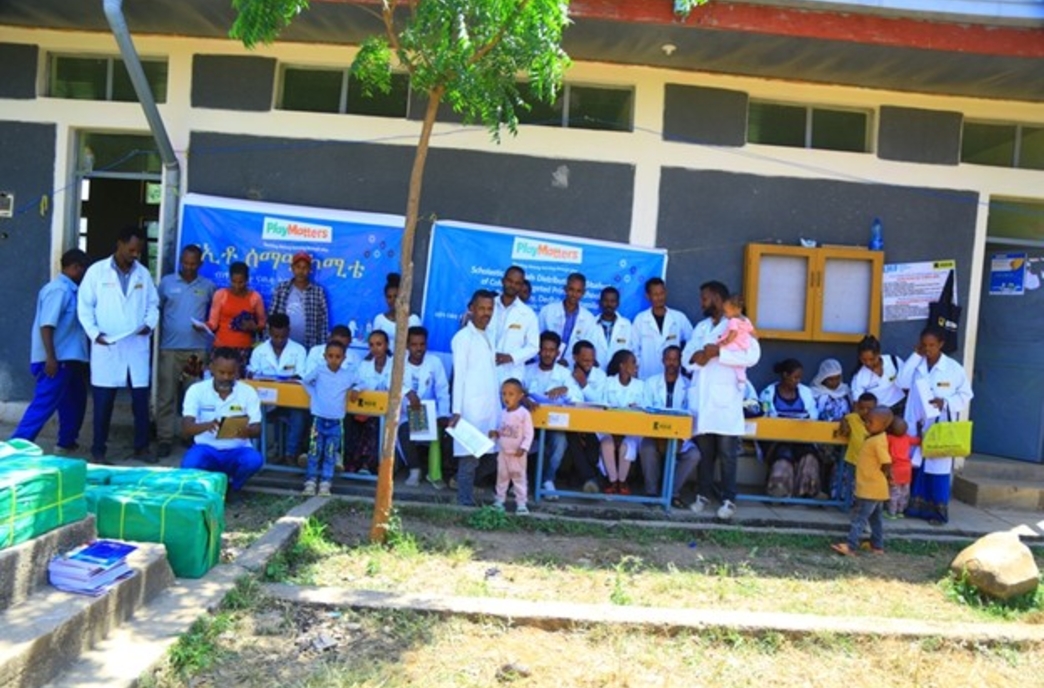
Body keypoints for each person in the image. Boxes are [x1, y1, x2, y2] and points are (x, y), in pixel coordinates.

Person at [77, 226, 159, 464]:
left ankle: (141, 448)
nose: (135, 254)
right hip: (107, 346)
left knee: (140, 403)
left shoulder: (143, 274)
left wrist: (149, 324)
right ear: (119, 244)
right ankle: (98, 450)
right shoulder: (97, 272)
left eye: (139, 251)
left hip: (136, 344)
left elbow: (153, 305)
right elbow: (84, 307)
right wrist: (95, 334)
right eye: (131, 249)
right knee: (104, 403)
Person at [683, 281, 760, 520]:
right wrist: (700, 358)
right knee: (706, 453)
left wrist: (720, 353)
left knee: (728, 454)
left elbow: (753, 355)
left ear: (717, 297)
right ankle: (703, 495)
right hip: (704, 401)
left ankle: (729, 499)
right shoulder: (701, 327)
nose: (701, 303)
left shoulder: (739, 323)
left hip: (726, 401)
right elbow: (687, 357)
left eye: (705, 298)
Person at [10, 249, 90, 453]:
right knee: (44, 405)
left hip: (71, 359)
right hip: (56, 360)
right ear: (75, 268)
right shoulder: (59, 290)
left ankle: (66, 444)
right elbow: (47, 325)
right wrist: (51, 358)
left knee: (74, 404)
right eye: (83, 269)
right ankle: (16, 446)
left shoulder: (71, 291)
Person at [897, 326, 974, 525]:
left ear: (941, 345)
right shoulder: (916, 364)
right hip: (916, 424)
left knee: (937, 469)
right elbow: (901, 382)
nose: (928, 349)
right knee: (914, 464)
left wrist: (945, 402)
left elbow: (966, 395)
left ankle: (938, 514)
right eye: (924, 345)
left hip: (939, 426)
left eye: (932, 345)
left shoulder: (953, 368)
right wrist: (915, 356)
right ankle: (912, 508)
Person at [156, 244, 216, 458]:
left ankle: (190, 436)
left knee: (193, 396)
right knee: (166, 395)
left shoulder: (208, 286)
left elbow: (215, 317)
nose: (189, 267)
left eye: (193, 264)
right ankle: (164, 438)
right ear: (181, 261)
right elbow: (155, 311)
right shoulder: (166, 283)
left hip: (196, 351)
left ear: (200, 263)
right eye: (185, 263)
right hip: (169, 349)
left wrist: (205, 325)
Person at [180, 347, 264, 498]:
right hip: (206, 449)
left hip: (237, 450)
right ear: (211, 368)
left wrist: (244, 430)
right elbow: (186, 428)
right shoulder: (196, 390)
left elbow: (257, 430)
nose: (226, 377)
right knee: (189, 465)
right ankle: (207, 488)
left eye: (231, 373)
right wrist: (207, 425)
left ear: (238, 371)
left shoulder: (248, 392)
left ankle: (234, 487)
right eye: (221, 372)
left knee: (254, 460)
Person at [449, 290, 500, 507]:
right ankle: (464, 504)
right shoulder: (463, 338)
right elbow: (459, 375)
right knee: (468, 461)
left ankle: (466, 498)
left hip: (489, 408)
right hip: (469, 409)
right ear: (471, 308)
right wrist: (457, 411)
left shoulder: (489, 334)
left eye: (490, 309)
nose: (485, 313)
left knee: (494, 454)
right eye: (481, 308)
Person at [639, 346, 700, 506]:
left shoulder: (688, 385)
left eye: (675, 359)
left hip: (680, 436)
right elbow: (645, 409)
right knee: (647, 448)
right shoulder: (651, 383)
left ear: (681, 361)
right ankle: (651, 493)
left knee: (694, 455)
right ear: (662, 360)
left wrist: (681, 436)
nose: (671, 363)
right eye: (668, 359)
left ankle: (672, 492)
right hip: (654, 433)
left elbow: (691, 413)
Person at [831, 406, 894, 556]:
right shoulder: (874, 437)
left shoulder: (877, 441)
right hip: (875, 489)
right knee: (875, 519)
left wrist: (888, 475)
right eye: (866, 421)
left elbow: (886, 461)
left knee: (859, 518)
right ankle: (877, 546)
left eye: (871, 422)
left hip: (871, 488)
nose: (866, 424)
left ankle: (851, 546)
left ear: (884, 425)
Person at [248, 313, 309, 465]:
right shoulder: (259, 351)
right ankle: (261, 453)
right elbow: (253, 374)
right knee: (254, 415)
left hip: (290, 402)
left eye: (282, 336)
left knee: (299, 416)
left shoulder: (299, 350)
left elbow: (302, 376)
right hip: (265, 402)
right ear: (269, 331)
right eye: (275, 336)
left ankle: (290, 453)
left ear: (288, 331)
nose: (279, 340)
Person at [524, 331, 579, 497]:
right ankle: (521, 480)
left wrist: (565, 389)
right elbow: (514, 391)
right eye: (544, 349)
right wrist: (524, 397)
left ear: (557, 352)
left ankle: (547, 480)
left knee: (560, 440)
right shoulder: (526, 370)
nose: (547, 354)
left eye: (552, 350)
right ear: (539, 350)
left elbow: (578, 398)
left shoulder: (563, 373)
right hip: (528, 423)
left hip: (553, 424)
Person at [759, 359, 822, 499]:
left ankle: (807, 492)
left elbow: (814, 414)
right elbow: (765, 416)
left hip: (802, 437)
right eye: (795, 377)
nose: (797, 381)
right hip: (776, 439)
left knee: (809, 456)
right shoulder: (769, 393)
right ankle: (779, 492)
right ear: (785, 375)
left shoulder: (805, 392)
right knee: (784, 456)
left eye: (799, 378)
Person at [398, 326, 452, 488]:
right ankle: (415, 470)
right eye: (414, 345)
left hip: (430, 413)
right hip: (405, 414)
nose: (418, 348)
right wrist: (408, 392)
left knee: (440, 430)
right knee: (405, 430)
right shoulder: (399, 361)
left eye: (422, 344)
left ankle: (434, 474)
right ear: (407, 345)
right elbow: (391, 382)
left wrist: (443, 414)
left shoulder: (434, 362)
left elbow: (442, 390)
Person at [301, 340, 357, 497]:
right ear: (325, 356)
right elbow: (305, 381)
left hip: (336, 420)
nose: (334, 360)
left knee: (330, 453)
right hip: (318, 418)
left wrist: (356, 389)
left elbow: (361, 382)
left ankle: (326, 483)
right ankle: (310, 482)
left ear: (344, 358)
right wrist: (314, 395)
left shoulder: (347, 375)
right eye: (330, 356)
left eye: (338, 356)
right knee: (314, 451)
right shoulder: (319, 371)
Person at [599, 350, 646, 495]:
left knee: (627, 445)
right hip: (608, 429)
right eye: (632, 362)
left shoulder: (640, 386)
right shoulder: (607, 383)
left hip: (630, 431)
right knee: (606, 444)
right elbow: (601, 405)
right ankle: (612, 481)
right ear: (622, 365)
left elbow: (644, 408)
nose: (636, 366)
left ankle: (622, 481)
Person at [347, 330, 393, 474]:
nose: (375, 348)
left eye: (379, 344)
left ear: (387, 345)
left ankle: (368, 464)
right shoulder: (364, 365)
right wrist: (357, 389)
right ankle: (352, 463)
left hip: (389, 411)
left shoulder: (396, 365)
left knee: (373, 423)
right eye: (372, 345)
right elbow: (359, 382)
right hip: (367, 408)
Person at [563, 340, 607, 493]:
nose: (589, 363)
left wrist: (584, 384)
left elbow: (600, 402)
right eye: (585, 360)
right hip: (573, 422)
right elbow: (570, 399)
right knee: (572, 437)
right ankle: (591, 478)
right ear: (575, 357)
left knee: (592, 443)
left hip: (595, 423)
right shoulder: (566, 374)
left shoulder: (601, 376)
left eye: (591, 360)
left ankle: (584, 477)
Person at [207, 261, 266, 371]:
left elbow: (263, 324)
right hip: (221, 347)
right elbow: (213, 324)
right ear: (229, 278)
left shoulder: (255, 298)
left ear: (247, 279)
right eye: (233, 282)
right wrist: (202, 326)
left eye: (241, 282)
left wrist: (254, 327)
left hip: (244, 349)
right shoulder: (221, 295)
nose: (237, 286)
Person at [632, 277, 693, 380]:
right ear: (648, 296)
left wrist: (683, 360)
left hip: (673, 376)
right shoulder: (640, 320)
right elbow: (633, 348)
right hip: (647, 376)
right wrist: (639, 366)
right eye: (655, 294)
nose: (659, 297)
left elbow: (693, 341)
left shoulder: (678, 318)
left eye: (662, 293)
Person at [490, 378, 534, 514]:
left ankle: (521, 504)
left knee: (519, 478)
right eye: (504, 394)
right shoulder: (502, 413)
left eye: (511, 394)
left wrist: (524, 447)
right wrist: (495, 433)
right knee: (502, 477)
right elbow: (502, 430)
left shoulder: (523, 413)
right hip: (503, 453)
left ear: (520, 396)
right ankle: (499, 501)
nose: (506, 397)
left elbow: (529, 433)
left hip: (517, 454)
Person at [270, 251, 329, 350]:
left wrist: (321, 348)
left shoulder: (318, 291)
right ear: (292, 268)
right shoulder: (282, 289)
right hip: (283, 344)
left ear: (310, 269)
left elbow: (323, 322)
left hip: (309, 345)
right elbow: (271, 316)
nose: (301, 271)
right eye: (298, 267)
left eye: (305, 267)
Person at [492, 266, 540, 384]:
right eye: (509, 281)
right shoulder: (489, 305)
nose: (512, 285)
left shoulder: (528, 314)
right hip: (484, 367)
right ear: (503, 281)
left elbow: (533, 347)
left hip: (511, 372)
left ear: (521, 286)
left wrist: (511, 357)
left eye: (517, 283)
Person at [539, 272, 600, 365]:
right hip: (546, 364)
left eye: (578, 291)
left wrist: (568, 361)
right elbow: (537, 339)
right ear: (565, 289)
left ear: (583, 293)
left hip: (573, 367)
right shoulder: (547, 311)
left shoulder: (589, 319)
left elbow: (589, 347)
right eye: (571, 289)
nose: (574, 294)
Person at [838, 392, 878, 506]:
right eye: (862, 408)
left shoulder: (879, 421)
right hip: (854, 459)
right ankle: (850, 504)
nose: (865, 411)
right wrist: (844, 423)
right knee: (852, 484)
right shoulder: (853, 418)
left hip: (871, 462)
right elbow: (844, 418)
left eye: (869, 409)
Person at [851, 335, 907, 416]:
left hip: (901, 405)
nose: (868, 363)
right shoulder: (859, 376)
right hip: (879, 413)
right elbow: (856, 403)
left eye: (872, 359)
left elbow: (907, 382)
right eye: (864, 360)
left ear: (879, 354)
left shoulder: (894, 361)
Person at [372, 273, 421, 352]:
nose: (393, 300)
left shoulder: (414, 320)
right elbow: (374, 345)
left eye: (396, 296)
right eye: (389, 297)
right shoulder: (379, 319)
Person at [716, 294, 756, 388]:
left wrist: (725, 342)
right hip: (744, 344)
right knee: (740, 365)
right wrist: (755, 338)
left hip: (735, 344)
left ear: (736, 309)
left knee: (723, 352)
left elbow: (733, 334)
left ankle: (741, 379)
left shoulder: (733, 321)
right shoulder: (746, 320)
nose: (725, 315)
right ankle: (741, 379)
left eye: (726, 312)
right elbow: (752, 331)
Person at [591, 286, 633, 369]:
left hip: (618, 375)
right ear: (600, 302)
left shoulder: (626, 325)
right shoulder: (591, 324)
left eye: (612, 301)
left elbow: (631, 351)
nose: (609, 304)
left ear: (618, 303)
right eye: (605, 301)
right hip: (595, 374)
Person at [885, 416, 919, 519]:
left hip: (895, 468)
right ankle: (901, 511)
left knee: (894, 492)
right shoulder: (907, 438)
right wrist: (920, 430)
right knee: (904, 492)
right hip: (907, 469)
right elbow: (918, 441)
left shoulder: (889, 438)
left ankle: (891, 513)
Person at [810, 358, 852, 423]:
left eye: (837, 378)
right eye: (831, 379)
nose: (835, 382)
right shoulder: (816, 393)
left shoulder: (845, 390)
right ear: (823, 378)